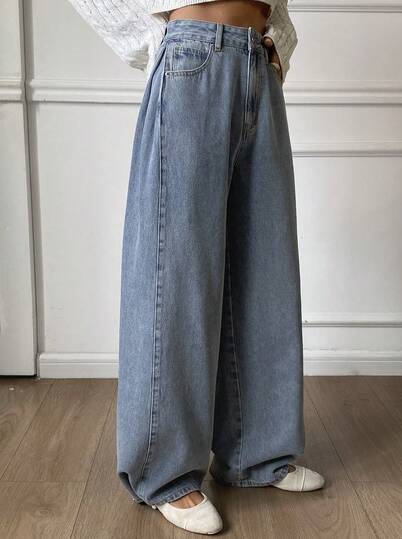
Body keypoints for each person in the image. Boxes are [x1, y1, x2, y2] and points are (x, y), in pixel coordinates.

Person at [68, 0, 325, 534]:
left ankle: (254, 454)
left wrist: (276, 42)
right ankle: (164, 473)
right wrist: (162, 37)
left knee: (263, 267)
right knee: (175, 273)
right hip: (192, 59)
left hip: (258, 62)